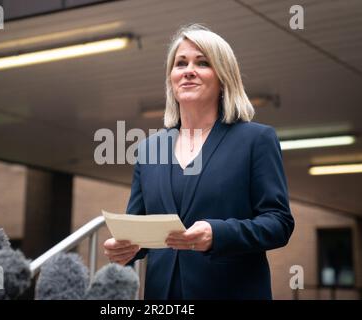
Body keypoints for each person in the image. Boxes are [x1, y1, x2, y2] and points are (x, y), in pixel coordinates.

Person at [103, 24, 294, 300]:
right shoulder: (148, 149)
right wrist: (125, 246)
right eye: (181, 63)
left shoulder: (256, 139)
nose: (189, 70)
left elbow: (279, 223)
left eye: (202, 62)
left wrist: (218, 233)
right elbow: (141, 226)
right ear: (171, 78)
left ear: (223, 77)